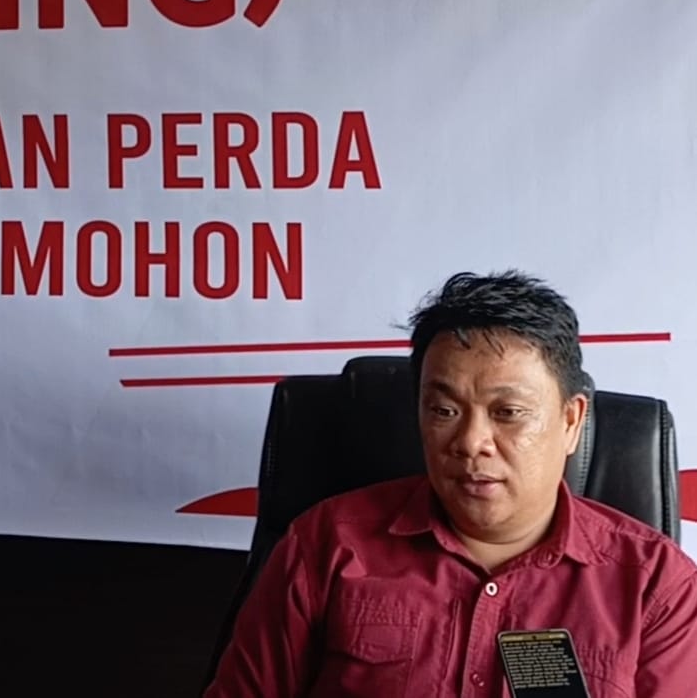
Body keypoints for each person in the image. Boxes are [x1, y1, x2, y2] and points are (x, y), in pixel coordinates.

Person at [204, 270, 697, 696]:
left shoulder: (655, 585)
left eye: (508, 413)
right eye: (443, 410)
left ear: (571, 422)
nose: (470, 442)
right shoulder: (324, 547)